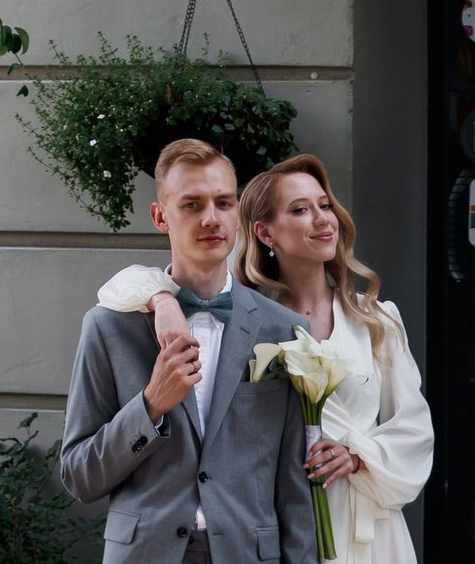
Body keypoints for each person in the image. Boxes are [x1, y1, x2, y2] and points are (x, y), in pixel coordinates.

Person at [96, 154, 434, 564]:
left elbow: (415, 429)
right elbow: (123, 287)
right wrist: (161, 298)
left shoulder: (377, 319)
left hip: (362, 521)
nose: (322, 219)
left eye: (325, 205)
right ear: (263, 232)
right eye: (300, 209)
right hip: (270, 528)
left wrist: (359, 455)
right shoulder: (253, 320)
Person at [61, 138, 317, 564]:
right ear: (160, 216)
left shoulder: (285, 329)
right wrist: (149, 406)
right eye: (192, 205)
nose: (211, 218)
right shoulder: (108, 328)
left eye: (223, 203)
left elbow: (294, 487)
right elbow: (79, 476)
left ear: (238, 214)